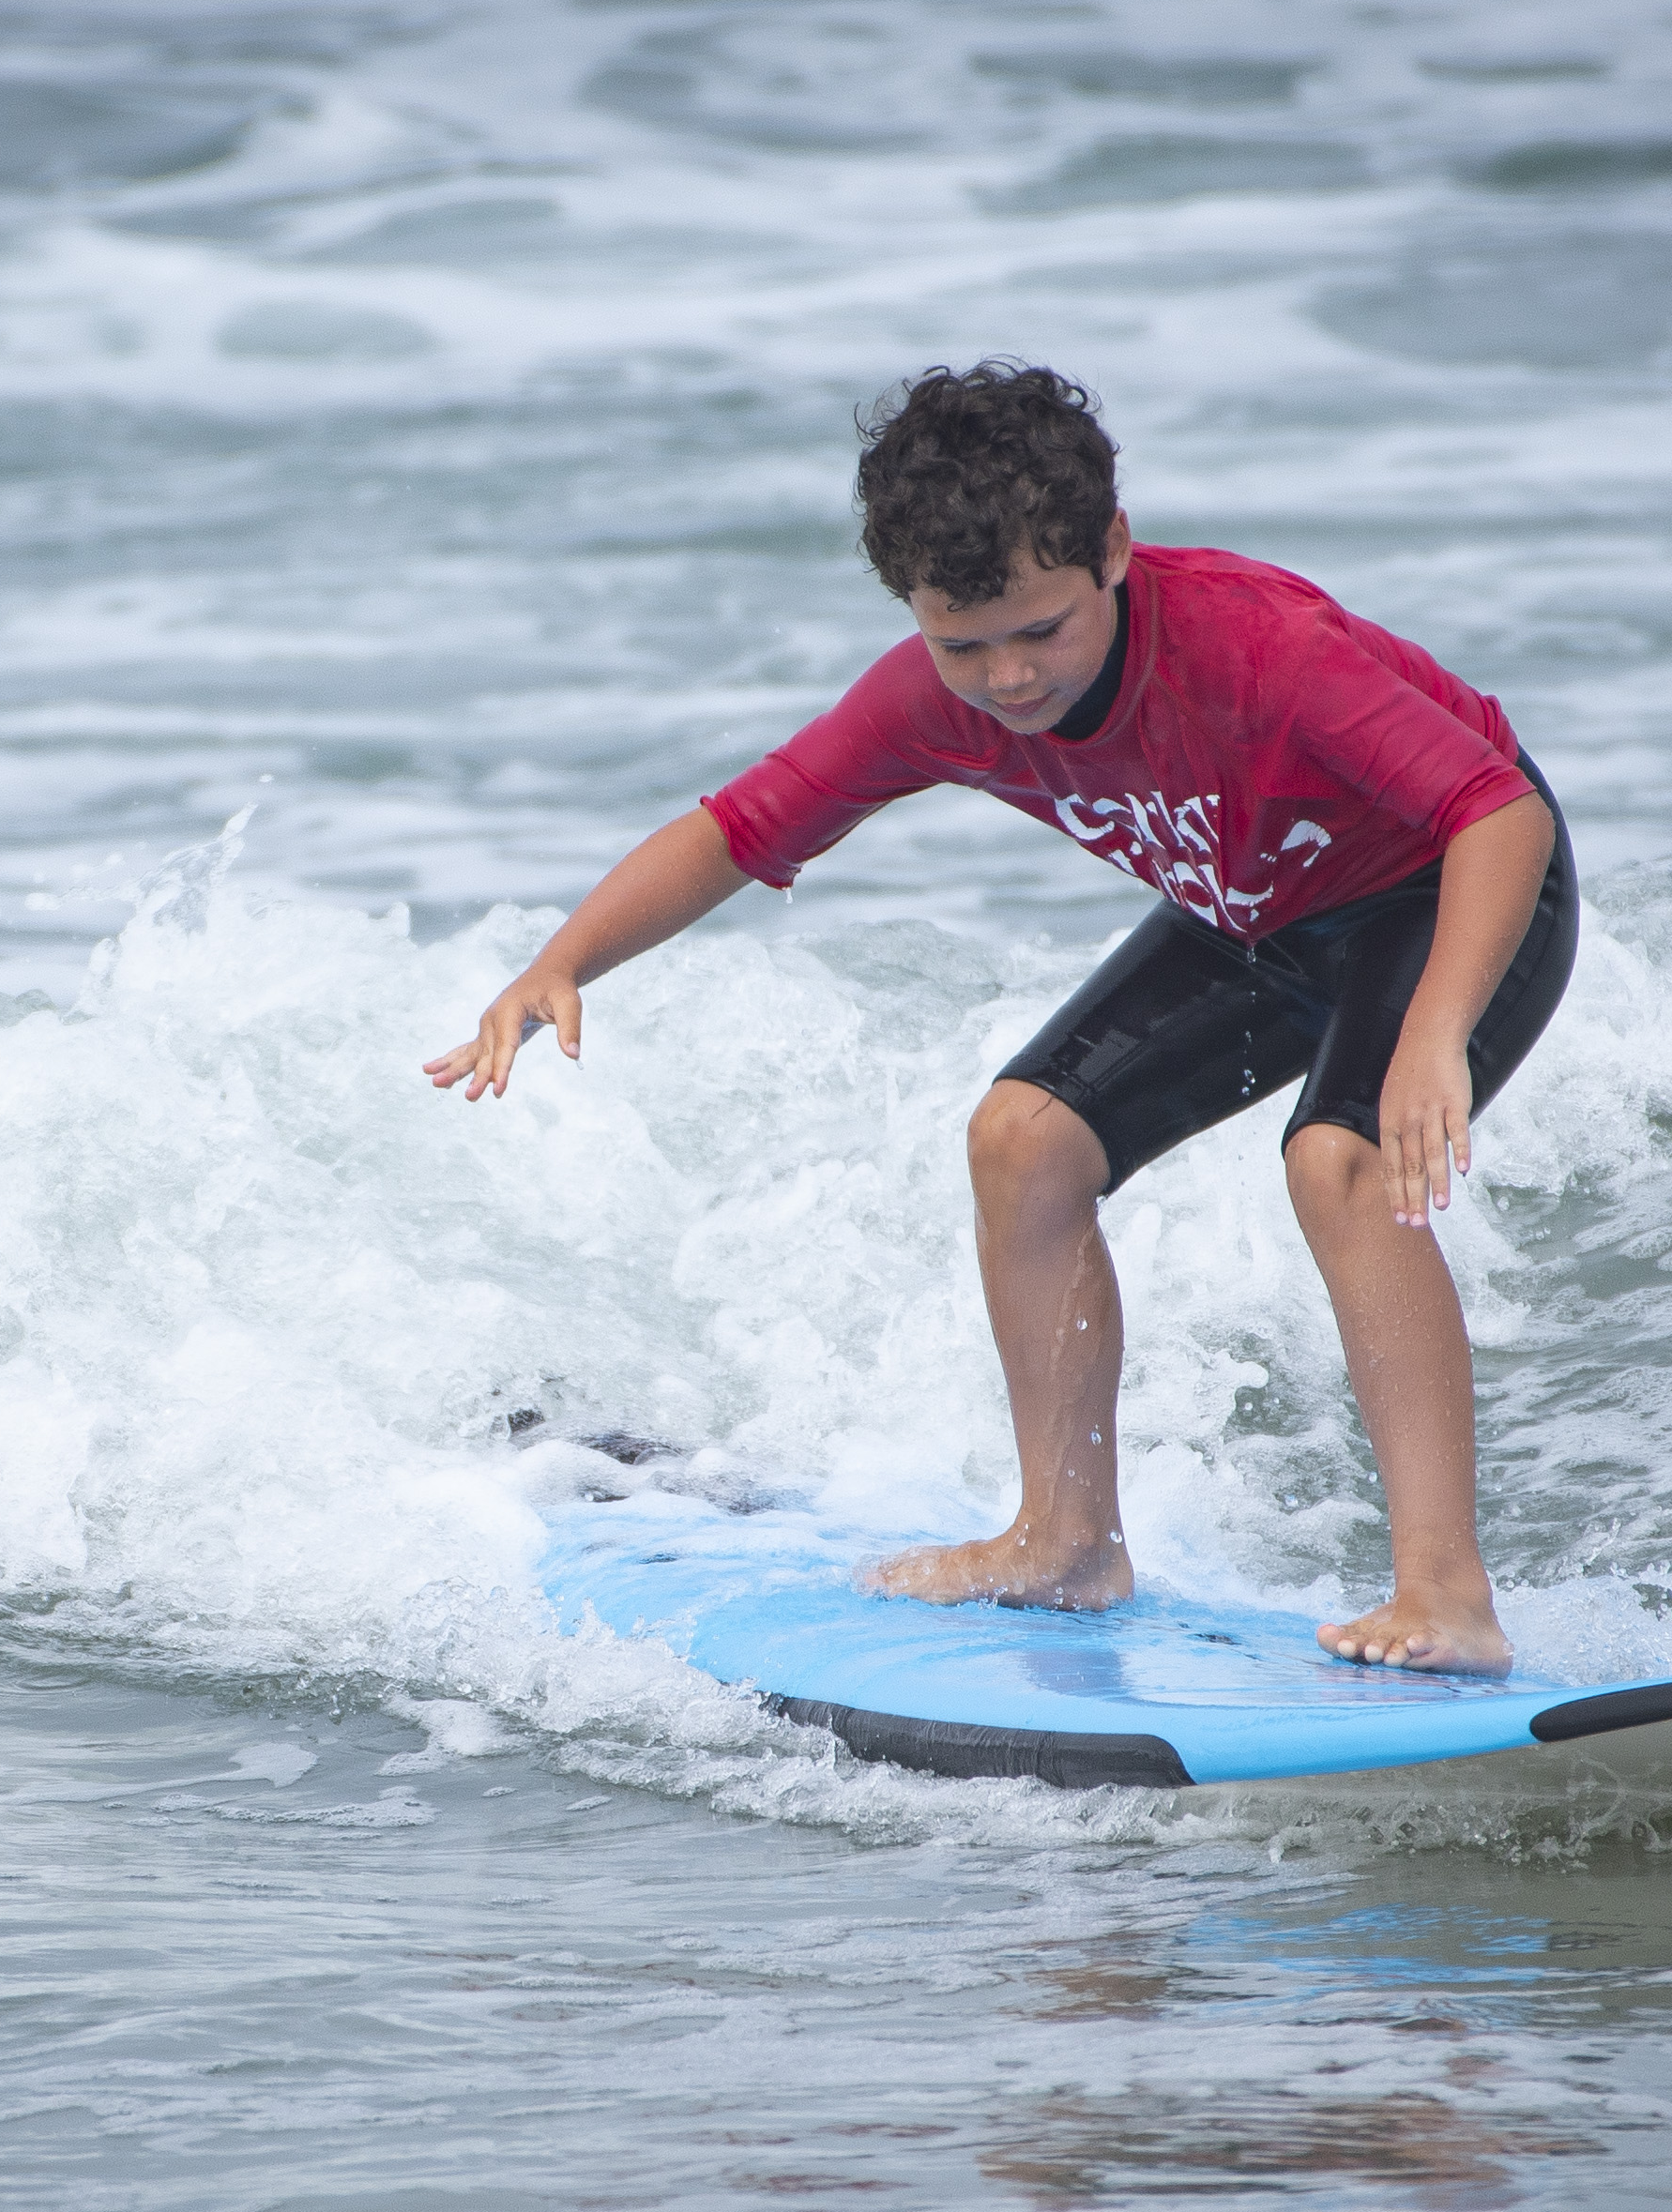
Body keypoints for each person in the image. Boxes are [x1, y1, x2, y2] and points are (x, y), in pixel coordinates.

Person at [426, 363, 1574, 1670]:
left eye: (1042, 631)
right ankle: (1068, 1540)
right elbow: (740, 829)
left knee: (1342, 1161)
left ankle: (1446, 1594)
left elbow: (1499, 810)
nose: (1009, 677)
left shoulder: (1258, 649)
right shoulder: (932, 698)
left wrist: (1433, 1032)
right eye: (962, 644)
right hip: (1263, 907)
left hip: (1456, 886)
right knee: (1023, 1142)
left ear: (1115, 557)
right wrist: (562, 960)